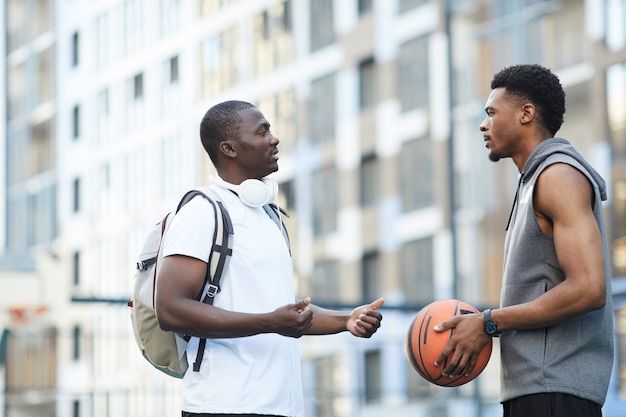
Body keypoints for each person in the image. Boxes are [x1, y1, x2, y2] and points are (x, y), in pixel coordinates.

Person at [155, 100, 384, 417]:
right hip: (224, 407)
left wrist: (346, 321)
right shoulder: (202, 211)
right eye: (262, 132)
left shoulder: (268, 214)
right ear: (229, 148)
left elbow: (286, 313)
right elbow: (169, 309)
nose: (274, 139)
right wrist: (270, 322)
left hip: (283, 409)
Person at [434, 64, 614, 416]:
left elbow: (589, 288)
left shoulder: (558, 176)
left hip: (554, 389)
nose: (483, 125)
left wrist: (489, 321)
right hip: (537, 388)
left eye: (491, 113)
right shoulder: (533, 182)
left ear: (526, 114)